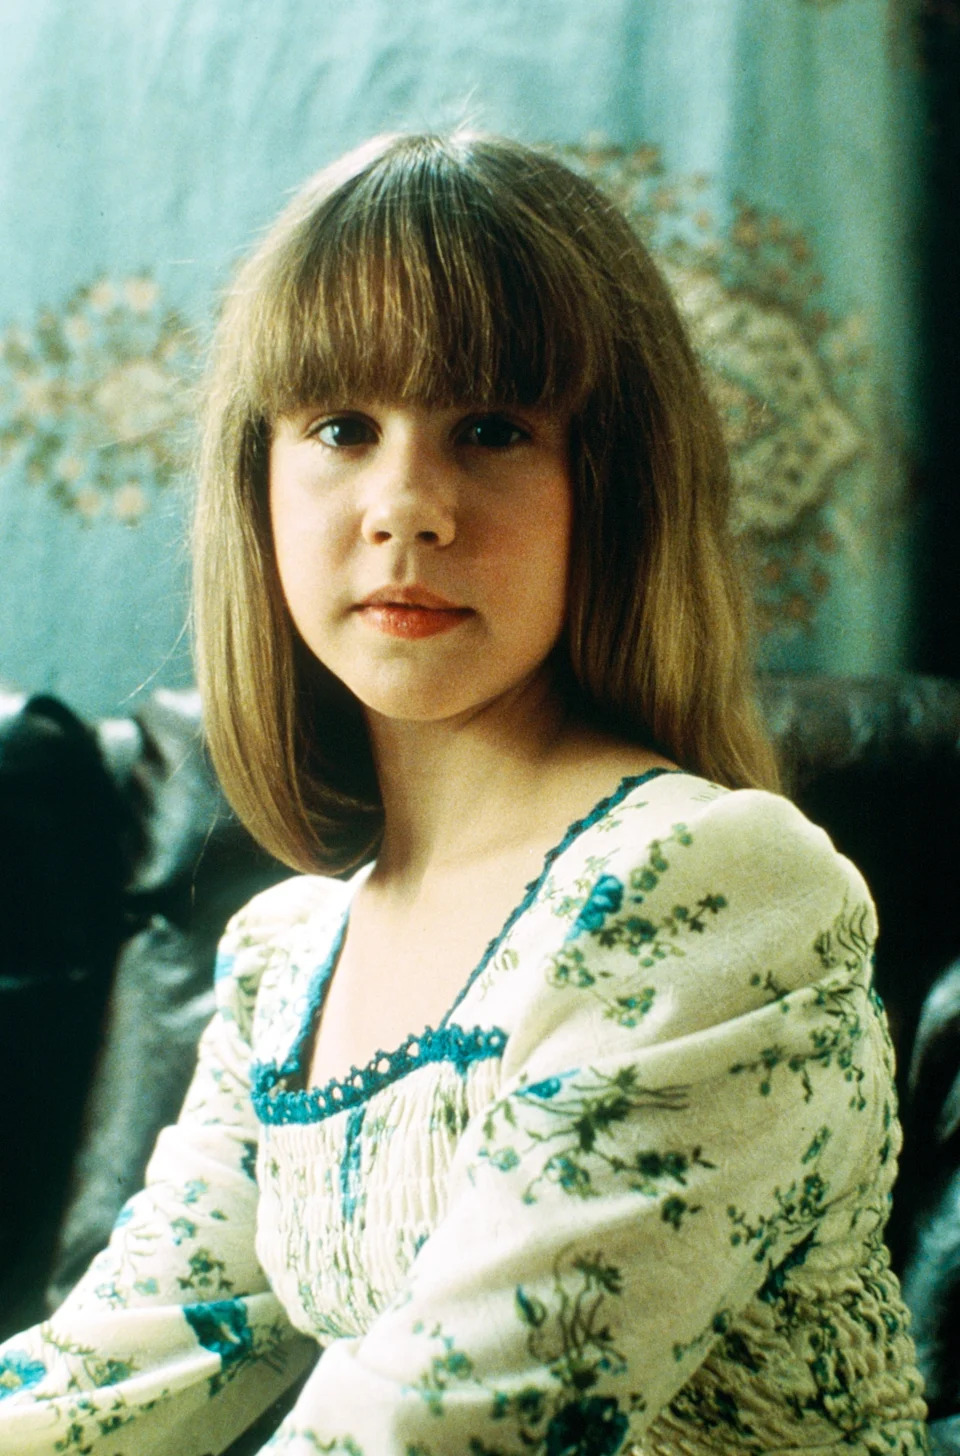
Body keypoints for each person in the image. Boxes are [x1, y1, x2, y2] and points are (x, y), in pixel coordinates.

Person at [0, 132, 929, 1455]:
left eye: (490, 429)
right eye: (339, 427)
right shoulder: (288, 957)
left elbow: (429, 1435)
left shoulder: (718, 886)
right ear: (259, 483)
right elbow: (104, 1387)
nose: (407, 506)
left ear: (608, 486)